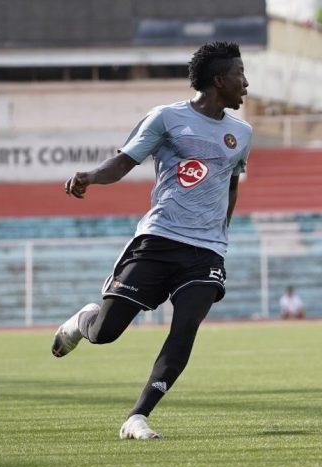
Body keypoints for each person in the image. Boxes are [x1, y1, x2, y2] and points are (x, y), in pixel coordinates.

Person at [51, 41, 251, 439]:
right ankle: (81, 321)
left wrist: (220, 234)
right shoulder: (166, 118)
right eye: (240, 75)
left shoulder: (241, 133)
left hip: (206, 251)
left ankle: (137, 416)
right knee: (105, 332)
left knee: (186, 328)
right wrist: (92, 176)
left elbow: (231, 184)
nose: (246, 84)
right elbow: (124, 161)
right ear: (218, 80)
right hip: (158, 240)